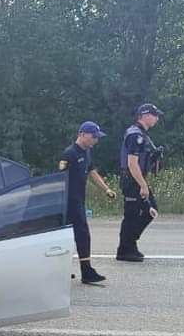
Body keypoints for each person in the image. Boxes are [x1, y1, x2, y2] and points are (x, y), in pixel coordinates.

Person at [59, 121, 115, 284]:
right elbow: (60, 178)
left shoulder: (86, 152)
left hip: (79, 200)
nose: (95, 140)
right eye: (93, 137)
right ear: (82, 134)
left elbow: (92, 172)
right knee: (77, 236)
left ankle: (83, 269)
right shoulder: (69, 154)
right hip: (68, 202)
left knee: (80, 236)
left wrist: (106, 189)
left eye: (97, 137)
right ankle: (84, 271)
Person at [116, 102, 163, 261]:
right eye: (155, 115)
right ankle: (124, 249)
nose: (157, 119)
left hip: (138, 178)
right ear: (146, 115)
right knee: (132, 215)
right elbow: (132, 163)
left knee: (150, 211)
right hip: (133, 180)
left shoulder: (142, 134)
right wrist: (143, 185)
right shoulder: (135, 135)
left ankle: (130, 244)